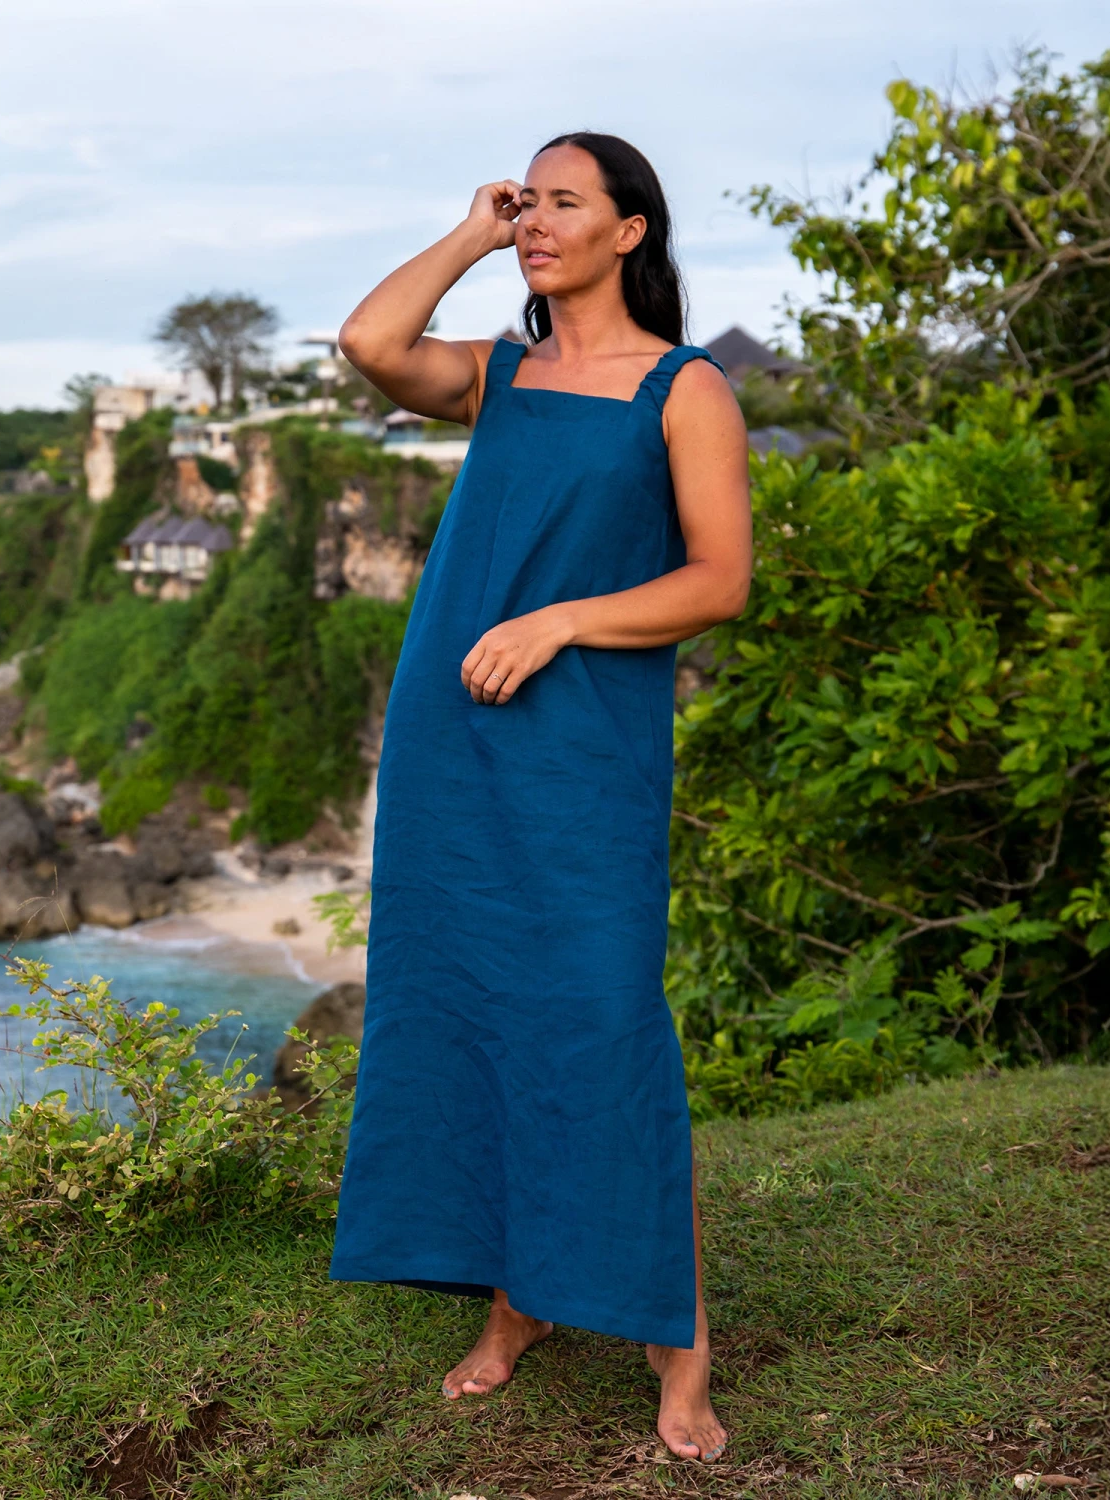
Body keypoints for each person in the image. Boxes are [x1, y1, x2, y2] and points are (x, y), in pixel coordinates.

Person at [328, 131, 752, 1464]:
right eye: (528, 203)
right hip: (455, 746)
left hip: (582, 760)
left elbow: (719, 579)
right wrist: (470, 233)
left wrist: (563, 618)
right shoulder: (498, 375)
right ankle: (516, 1300)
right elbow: (369, 342)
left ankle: (680, 1345)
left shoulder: (684, 388)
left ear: (631, 231)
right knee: (477, 1009)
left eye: (565, 204)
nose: (537, 223)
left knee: (606, 1027)